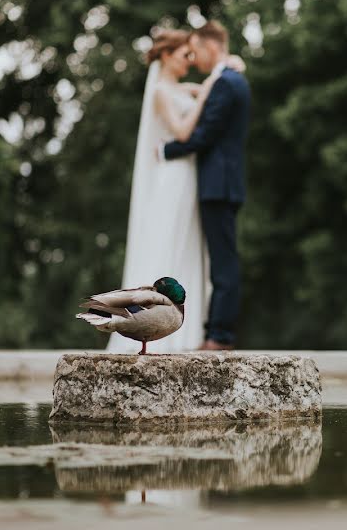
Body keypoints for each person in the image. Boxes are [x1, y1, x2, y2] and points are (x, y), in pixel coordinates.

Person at [106, 29, 212, 353]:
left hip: (187, 174)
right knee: (168, 241)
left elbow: (205, 84)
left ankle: (186, 328)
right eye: (184, 56)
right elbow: (180, 132)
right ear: (166, 56)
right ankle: (160, 327)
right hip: (173, 178)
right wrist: (203, 99)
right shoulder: (161, 93)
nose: (189, 63)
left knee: (188, 245)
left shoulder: (178, 89)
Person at [161, 21, 251, 350]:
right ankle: (215, 330)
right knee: (221, 260)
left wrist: (165, 150)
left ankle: (220, 336)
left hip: (219, 184)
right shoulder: (227, 79)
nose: (195, 58)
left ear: (212, 48)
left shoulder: (227, 83)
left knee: (224, 263)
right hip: (222, 182)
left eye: (197, 50)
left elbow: (206, 134)